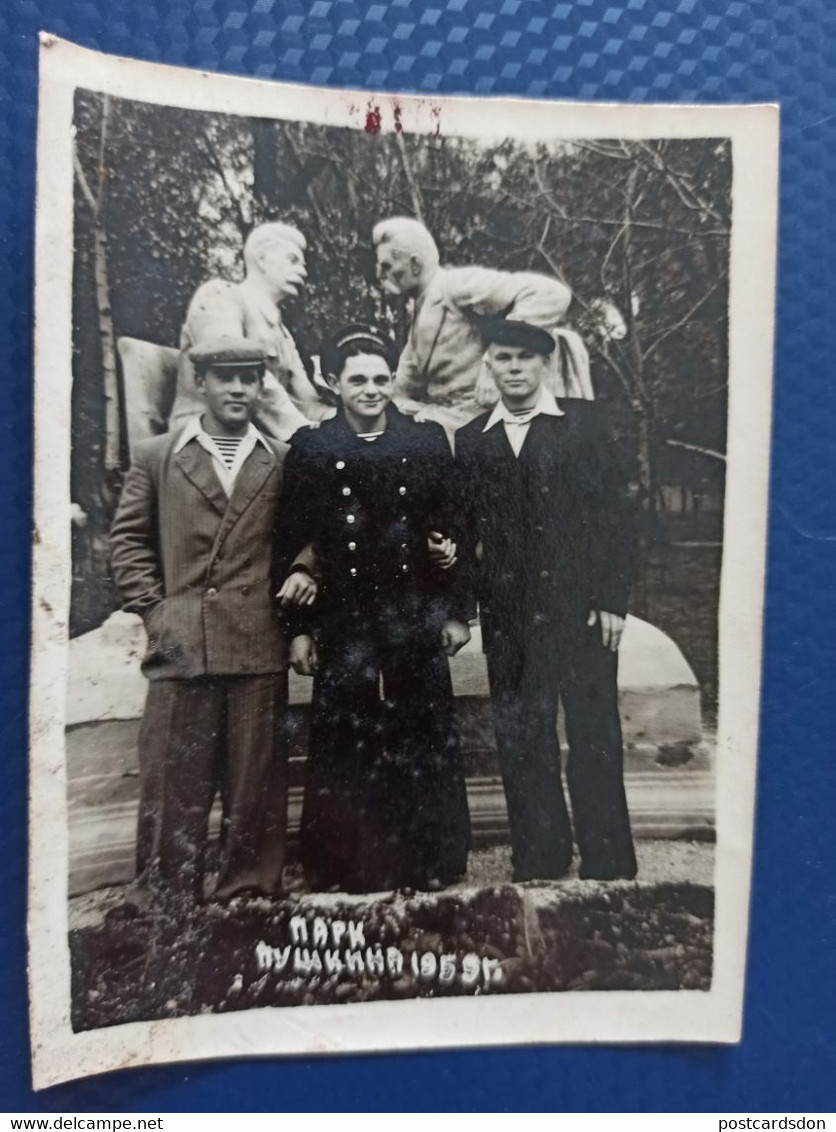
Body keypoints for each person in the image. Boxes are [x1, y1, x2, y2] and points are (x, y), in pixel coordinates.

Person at [110, 336, 317, 909]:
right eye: (223, 377)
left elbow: (307, 534)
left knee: (255, 783)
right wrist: (156, 611)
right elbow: (127, 541)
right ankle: (161, 896)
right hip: (182, 646)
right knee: (173, 781)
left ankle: (248, 890)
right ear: (200, 383)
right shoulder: (158, 455)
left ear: (259, 386)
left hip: (256, 643)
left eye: (248, 378)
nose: (236, 389)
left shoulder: (281, 458)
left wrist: (305, 569)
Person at [277, 324, 472, 893]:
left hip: (413, 612)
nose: (370, 389)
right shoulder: (313, 448)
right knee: (345, 735)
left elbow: (455, 520)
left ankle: (432, 860)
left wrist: (456, 604)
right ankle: (344, 866)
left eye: (381, 378)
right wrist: (299, 629)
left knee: (423, 731)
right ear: (333, 382)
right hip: (346, 617)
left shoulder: (425, 440)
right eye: (357, 379)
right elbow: (289, 537)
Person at [454, 318, 637, 882]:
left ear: (545, 365)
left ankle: (608, 858)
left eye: (524, 360)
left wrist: (611, 599)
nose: (513, 369)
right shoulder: (472, 439)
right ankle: (540, 854)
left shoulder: (586, 425)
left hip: (580, 611)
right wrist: (465, 604)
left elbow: (617, 517)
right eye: (502, 359)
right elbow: (465, 533)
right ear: (489, 365)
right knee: (523, 736)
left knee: (593, 734)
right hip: (510, 618)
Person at [372, 216, 593, 432]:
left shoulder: (454, 286)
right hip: (444, 419)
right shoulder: (421, 311)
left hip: (481, 420)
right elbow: (404, 383)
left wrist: (494, 366)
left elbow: (551, 294)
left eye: (387, 266)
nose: (382, 275)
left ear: (414, 264)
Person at [171, 222, 330, 441]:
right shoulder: (220, 296)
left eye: (303, 264)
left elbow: (306, 401)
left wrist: (345, 424)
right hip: (204, 440)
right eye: (293, 260)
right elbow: (239, 374)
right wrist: (306, 434)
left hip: (259, 442)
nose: (303, 271)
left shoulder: (282, 332)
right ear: (262, 258)